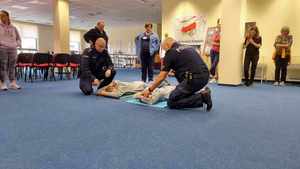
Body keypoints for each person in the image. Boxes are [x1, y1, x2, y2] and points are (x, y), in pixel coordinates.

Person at [140, 37, 213, 111]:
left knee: (172, 101)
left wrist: (149, 90)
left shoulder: (170, 53)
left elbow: (162, 77)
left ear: (167, 45)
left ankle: (202, 97)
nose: (165, 51)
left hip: (194, 79)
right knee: (180, 87)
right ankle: (200, 93)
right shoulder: (188, 47)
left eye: (164, 49)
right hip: (205, 76)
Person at [0, 10, 22, 91]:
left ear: (7, 16)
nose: (2, 17)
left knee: (12, 66)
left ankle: (12, 83)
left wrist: (17, 44)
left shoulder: (13, 27)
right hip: (2, 49)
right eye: (0, 16)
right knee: (3, 66)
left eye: (3, 16)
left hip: (13, 49)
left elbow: (19, 38)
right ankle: (2, 83)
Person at [209, 19, 221, 83]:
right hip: (212, 50)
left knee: (214, 65)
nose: (219, 25)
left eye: (220, 24)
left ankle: (209, 74)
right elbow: (211, 41)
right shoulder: (215, 32)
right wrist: (213, 43)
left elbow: (222, 44)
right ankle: (214, 78)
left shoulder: (223, 34)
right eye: (218, 24)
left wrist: (214, 43)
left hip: (218, 52)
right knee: (213, 65)